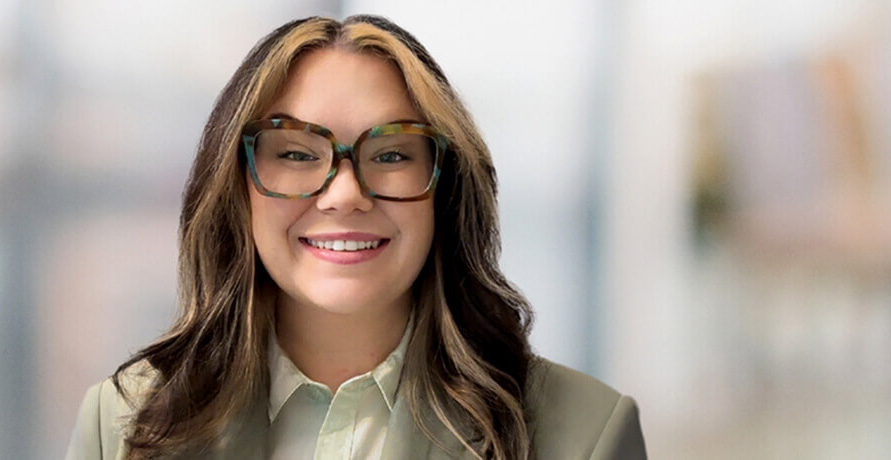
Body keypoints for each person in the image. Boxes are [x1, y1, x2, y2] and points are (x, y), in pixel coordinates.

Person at [64, 14, 646, 460]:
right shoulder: (121, 425)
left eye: (392, 153)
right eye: (295, 153)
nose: (344, 194)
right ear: (236, 188)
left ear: (445, 188)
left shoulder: (587, 433)